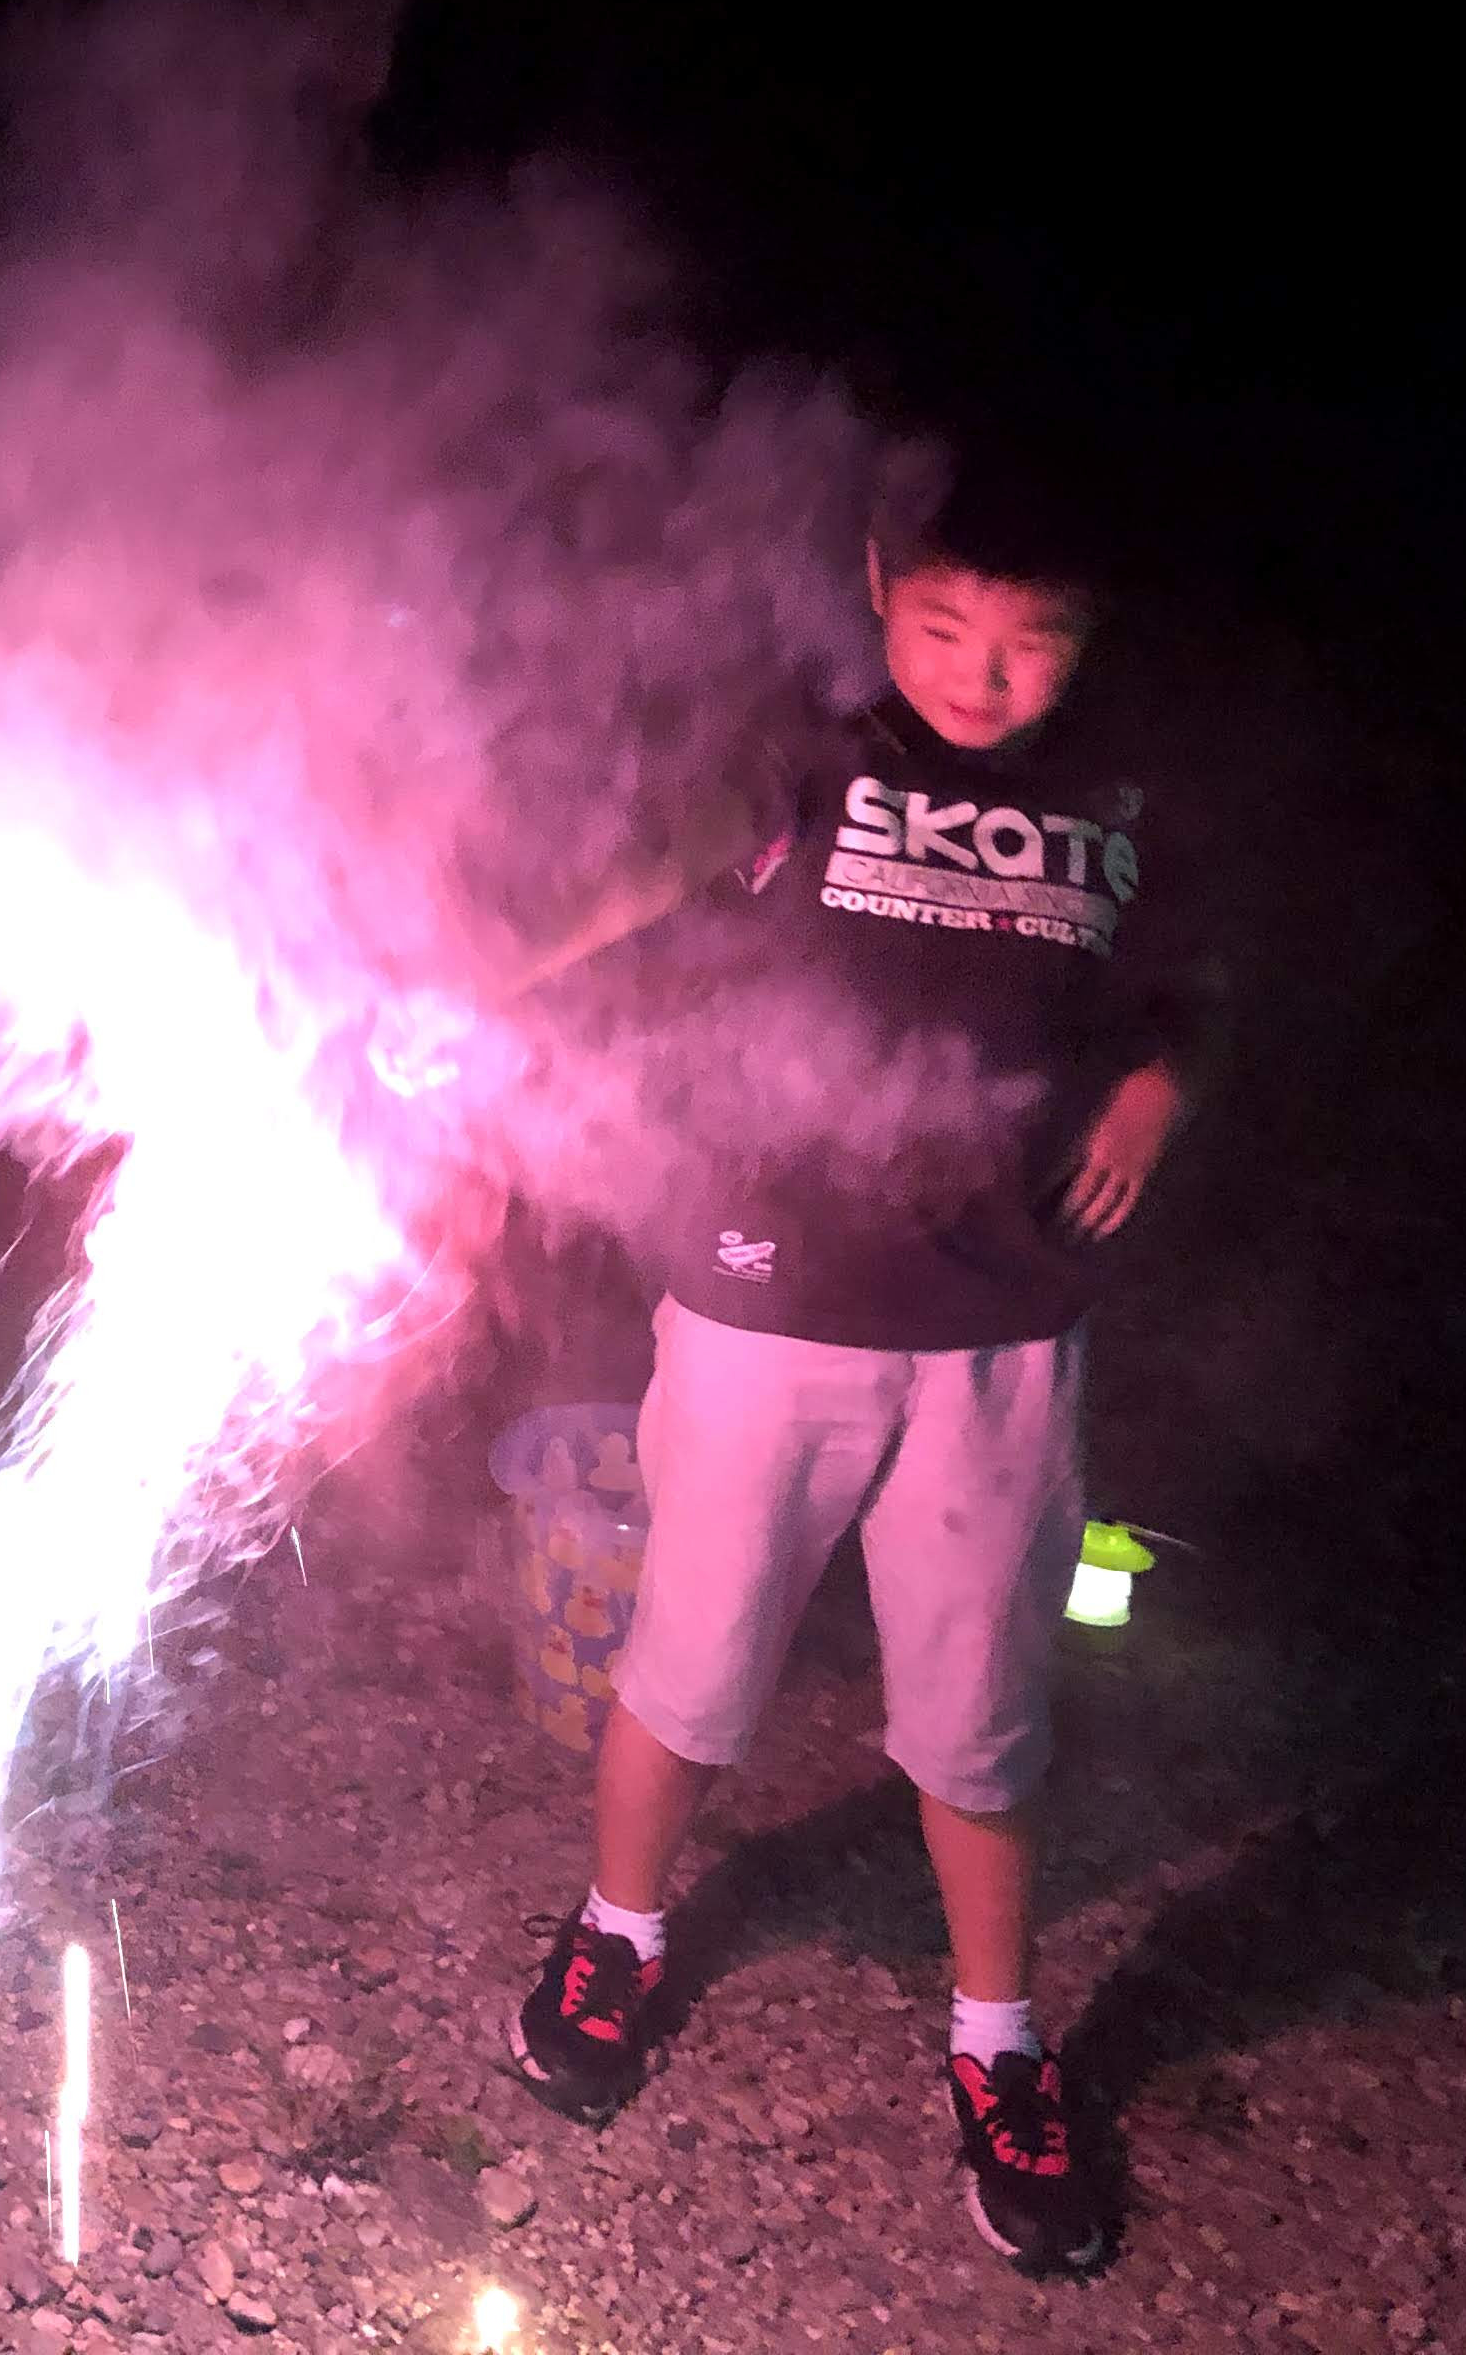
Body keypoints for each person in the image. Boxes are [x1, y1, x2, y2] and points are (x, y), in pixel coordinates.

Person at [494, 449, 1215, 2278]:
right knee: (690, 1664)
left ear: (1089, 640)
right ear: (883, 583)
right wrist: (457, 970)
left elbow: (1179, 994)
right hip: (764, 1307)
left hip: (1002, 1333)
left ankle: (999, 2044)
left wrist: (1154, 1086)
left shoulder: (1119, 806)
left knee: (981, 1719)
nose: (984, 675)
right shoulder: (805, 761)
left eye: (1032, 642)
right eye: (947, 625)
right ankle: (618, 1932)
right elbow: (636, 873)